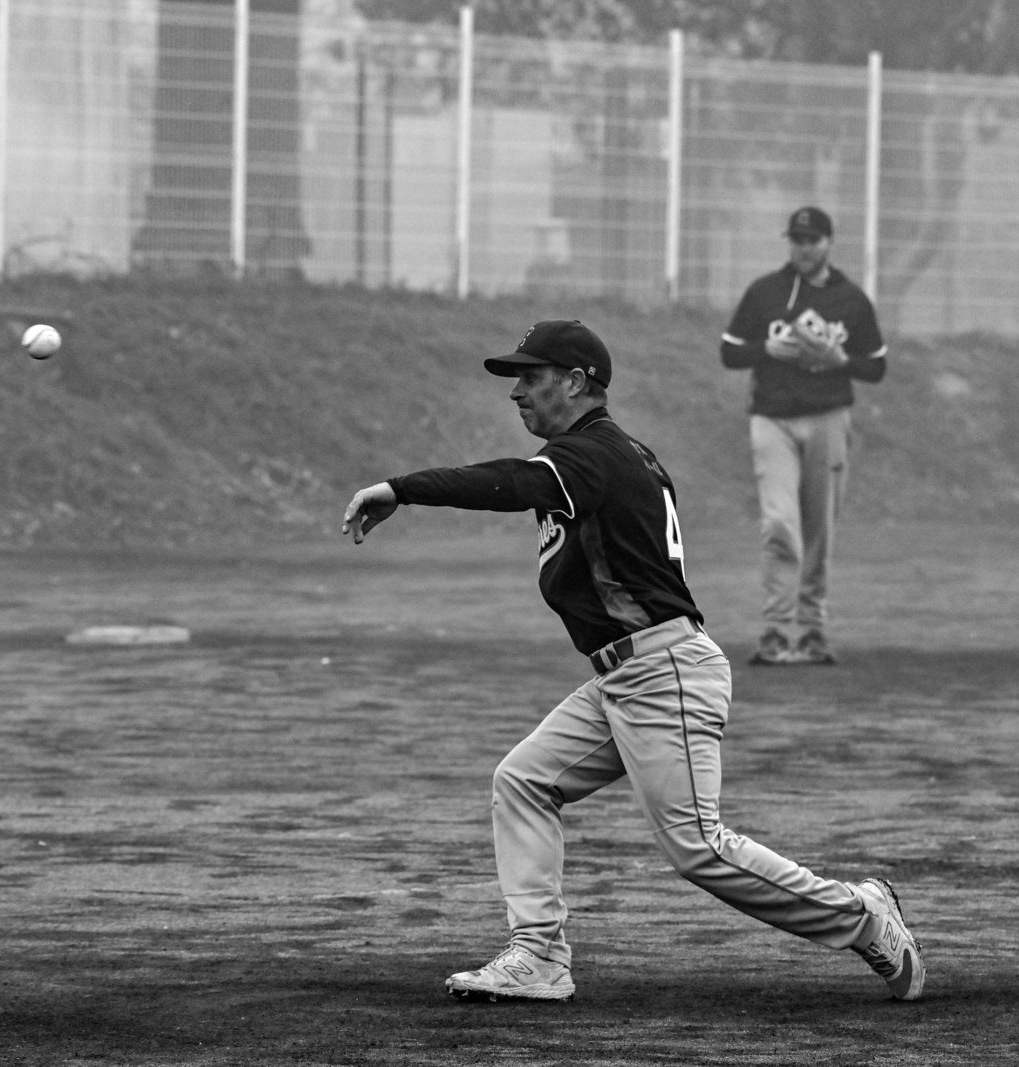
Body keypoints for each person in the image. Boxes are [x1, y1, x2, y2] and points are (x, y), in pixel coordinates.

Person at [341, 319, 923, 1003]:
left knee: (698, 847)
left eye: (531, 376)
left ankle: (862, 915)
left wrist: (401, 488)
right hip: (629, 673)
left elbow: (507, 481)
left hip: (662, 669)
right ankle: (538, 955)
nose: (518, 391)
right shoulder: (606, 457)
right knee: (524, 780)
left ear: (578, 381)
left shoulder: (592, 455)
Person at [719, 206, 887, 666]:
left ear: (829, 243)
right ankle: (775, 629)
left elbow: (876, 365)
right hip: (772, 419)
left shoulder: (851, 300)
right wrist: (765, 349)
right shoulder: (765, 292)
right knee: (779, 523)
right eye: (796, 239)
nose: (803, 247)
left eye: (812, 240)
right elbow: (729, 353)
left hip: (830, 417)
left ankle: (812, 630)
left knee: (819, 528)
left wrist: (841, 362)